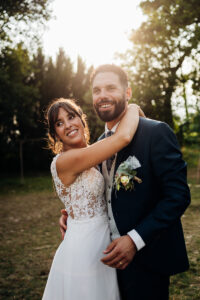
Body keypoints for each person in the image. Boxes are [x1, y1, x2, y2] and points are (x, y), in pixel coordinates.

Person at [60, 64, 191, 300]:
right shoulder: (99, 145)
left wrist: (134, 240)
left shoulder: (155, 132)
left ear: (128, 93)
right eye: (97, 90)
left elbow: (178, 195)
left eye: (111, 88)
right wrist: (72, 214)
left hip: (148, 260)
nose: (103, 95)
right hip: (105, 262)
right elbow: (100, 193)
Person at [42, 98, 143, 300]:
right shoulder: (66, 160)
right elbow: (123, 137)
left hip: (103, 243)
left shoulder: (92, 151)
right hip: (84, 249)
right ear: (55, 135)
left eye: (71, 117)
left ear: (81, 119)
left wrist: (68, 215)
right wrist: (132, 106)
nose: (68, 124)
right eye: (59, 123)